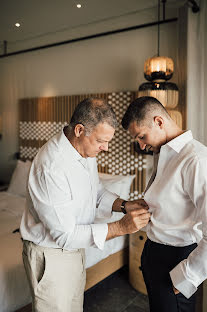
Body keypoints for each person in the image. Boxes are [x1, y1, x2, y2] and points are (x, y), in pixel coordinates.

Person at [20, 97, 150, 312]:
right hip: (51, 255)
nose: (106, 148)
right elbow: (65, 235)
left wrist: (125, 205)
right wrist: (121, 227)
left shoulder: (85, 151)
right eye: (102, 141)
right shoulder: (51, 167)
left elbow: (95, 191)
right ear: (80, 130)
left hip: (75, 249)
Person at [121, 96, 207, 312]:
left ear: (159, 122)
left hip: (177, 259)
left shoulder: (195, 159)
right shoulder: (163, 153)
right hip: (154, 253)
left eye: (141, 136)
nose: (141, 145)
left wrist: (187, 276)